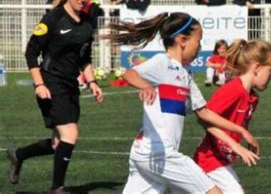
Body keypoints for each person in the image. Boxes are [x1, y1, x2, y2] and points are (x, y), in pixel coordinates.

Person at [101, 12, 260, 194]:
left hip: (143, 154)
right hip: (160, 154)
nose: (200, 46)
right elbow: (129, 74)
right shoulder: (163, 62)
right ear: (182, 40)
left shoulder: (185, 73)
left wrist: (240, 131)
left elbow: (204, 113)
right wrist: (145, 86)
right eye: (198, 41)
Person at [7, 0, 104, 194]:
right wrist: (39, 84)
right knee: (70, 134)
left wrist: (92, 81)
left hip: (71, 86)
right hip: (50, 83)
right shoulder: (52, 18)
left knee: (58, 143)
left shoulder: (87, 22)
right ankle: (57, 189)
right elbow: (31, 52)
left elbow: (84, 57)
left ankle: (19, 154)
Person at [194, 39, 271, 193]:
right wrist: (235, 145)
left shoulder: (252, 98)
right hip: (209, 160)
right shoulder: (233, 89)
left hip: (221, 161)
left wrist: (243, 141)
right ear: (257, 67)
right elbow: (204, 118)